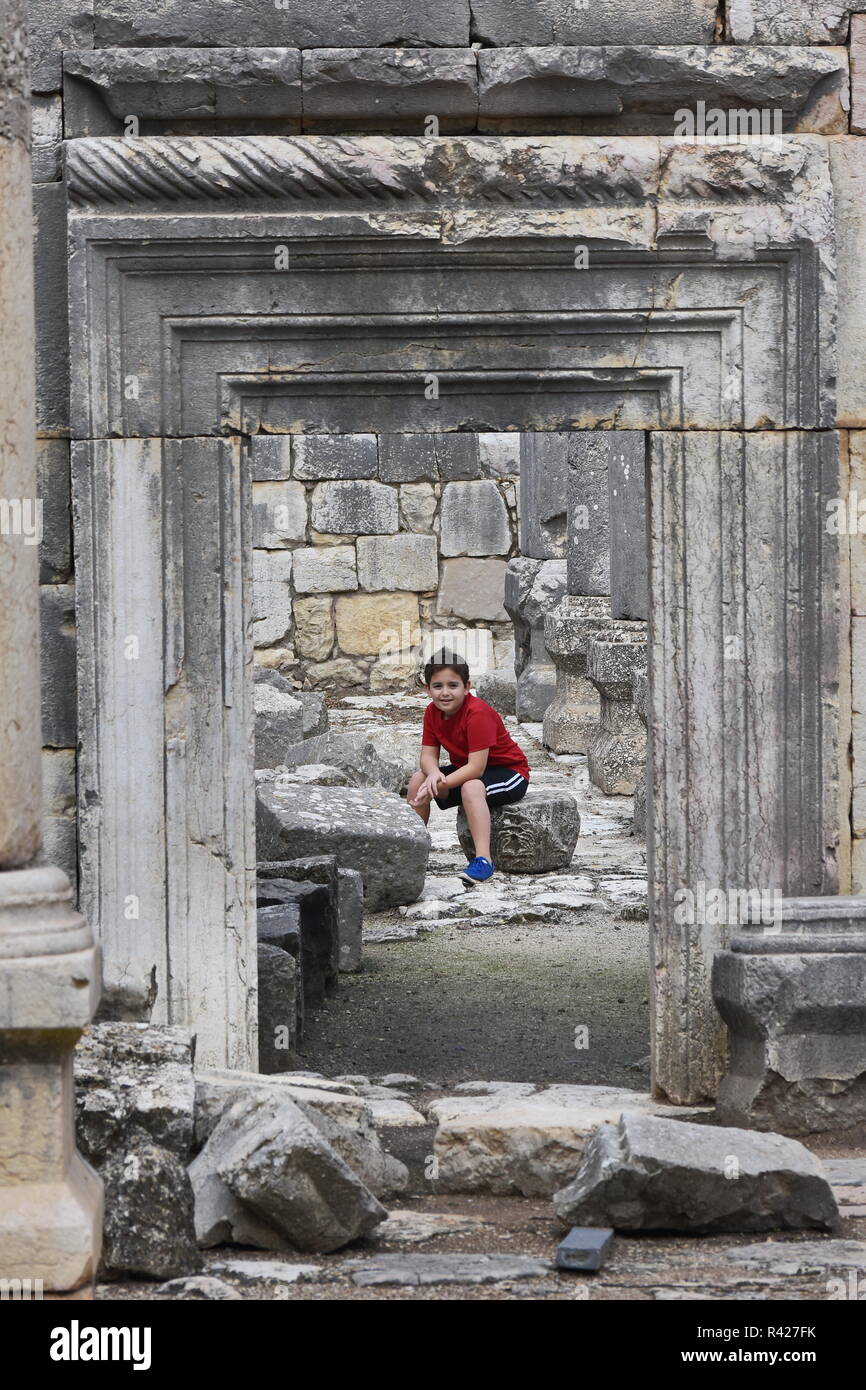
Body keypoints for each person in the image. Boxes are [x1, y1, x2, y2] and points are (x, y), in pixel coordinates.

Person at [407, 648, 530, 884]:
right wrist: (432, 776)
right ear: (427, 689)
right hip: (469, 770)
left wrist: (438, 784)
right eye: (438, 686)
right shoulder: (432, 712)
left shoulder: (477, 713)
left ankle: (483, 861)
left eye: (452, 685)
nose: (445, 693)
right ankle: (412, 848)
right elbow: (427, 757)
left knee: (471, 788)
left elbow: (476, 768)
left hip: (509, 772)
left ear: (466, 686)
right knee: (417, 780)